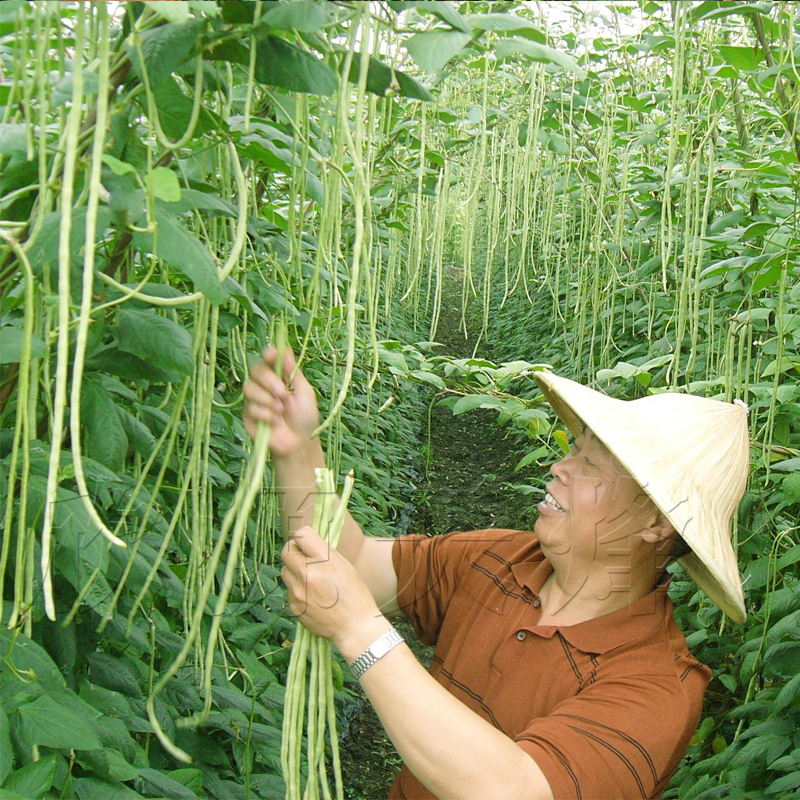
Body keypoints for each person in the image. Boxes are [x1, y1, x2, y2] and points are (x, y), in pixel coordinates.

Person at [243, 346, 750, 800]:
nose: (560, 466)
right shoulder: (502, 558)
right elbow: (349, 563)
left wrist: (359, 630)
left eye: (592, 466)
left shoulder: (658, 686)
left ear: (656, 523)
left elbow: (515, 789)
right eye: (575, 448)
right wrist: (297, 448)